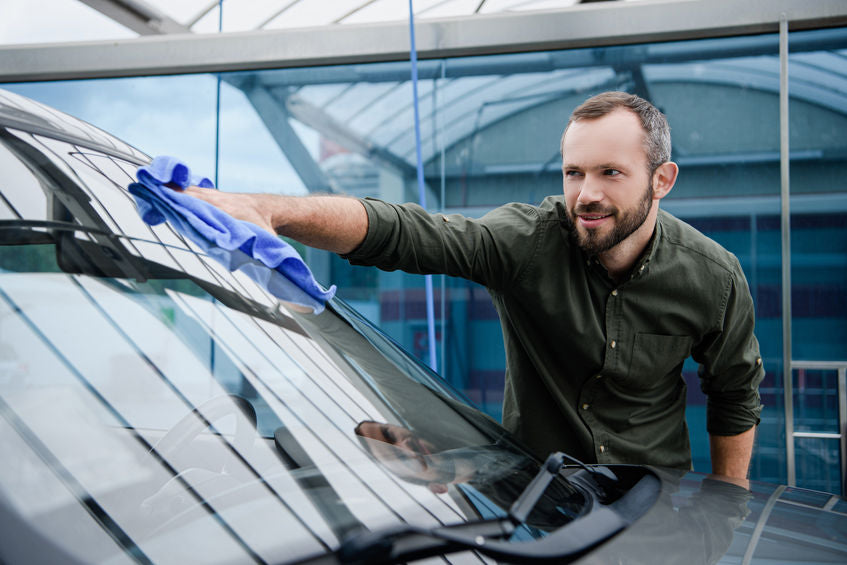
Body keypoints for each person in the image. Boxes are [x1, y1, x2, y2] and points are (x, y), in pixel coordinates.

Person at [176, 91, 764, 479]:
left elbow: (735, 392)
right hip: (537, 503)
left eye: (610, 172)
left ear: (661, 180)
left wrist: (725, 511)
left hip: (653, 509)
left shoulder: (712, 277)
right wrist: (268, 212)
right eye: (573, 172)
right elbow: (407, 232)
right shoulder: (529, 240)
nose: (586, 193)